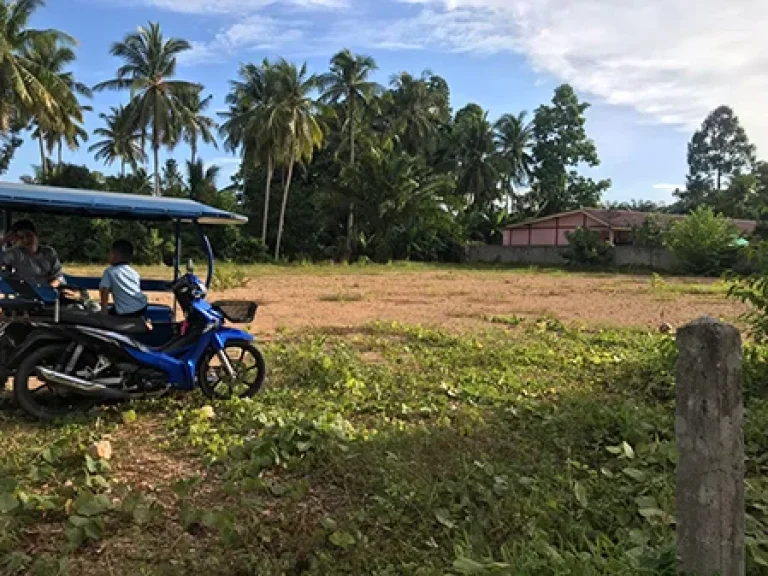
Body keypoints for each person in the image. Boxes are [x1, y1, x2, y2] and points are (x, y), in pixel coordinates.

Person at [2, 219, 64, 287]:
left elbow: (59, 275)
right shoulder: (14, 253)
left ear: (36, 235)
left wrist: (56, 282)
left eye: (28, 235)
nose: (26, 240)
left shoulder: (49, 252)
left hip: (45, 292)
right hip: (22, 293)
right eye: (21, 237)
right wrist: (3, 240)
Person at [99, 239, 148, 317]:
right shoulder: (133, 272)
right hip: (141, 306)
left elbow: (104, 290)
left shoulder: (110, 271)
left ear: (115, 255)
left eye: (110, 253)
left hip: (125, 310)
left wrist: (104, 309)